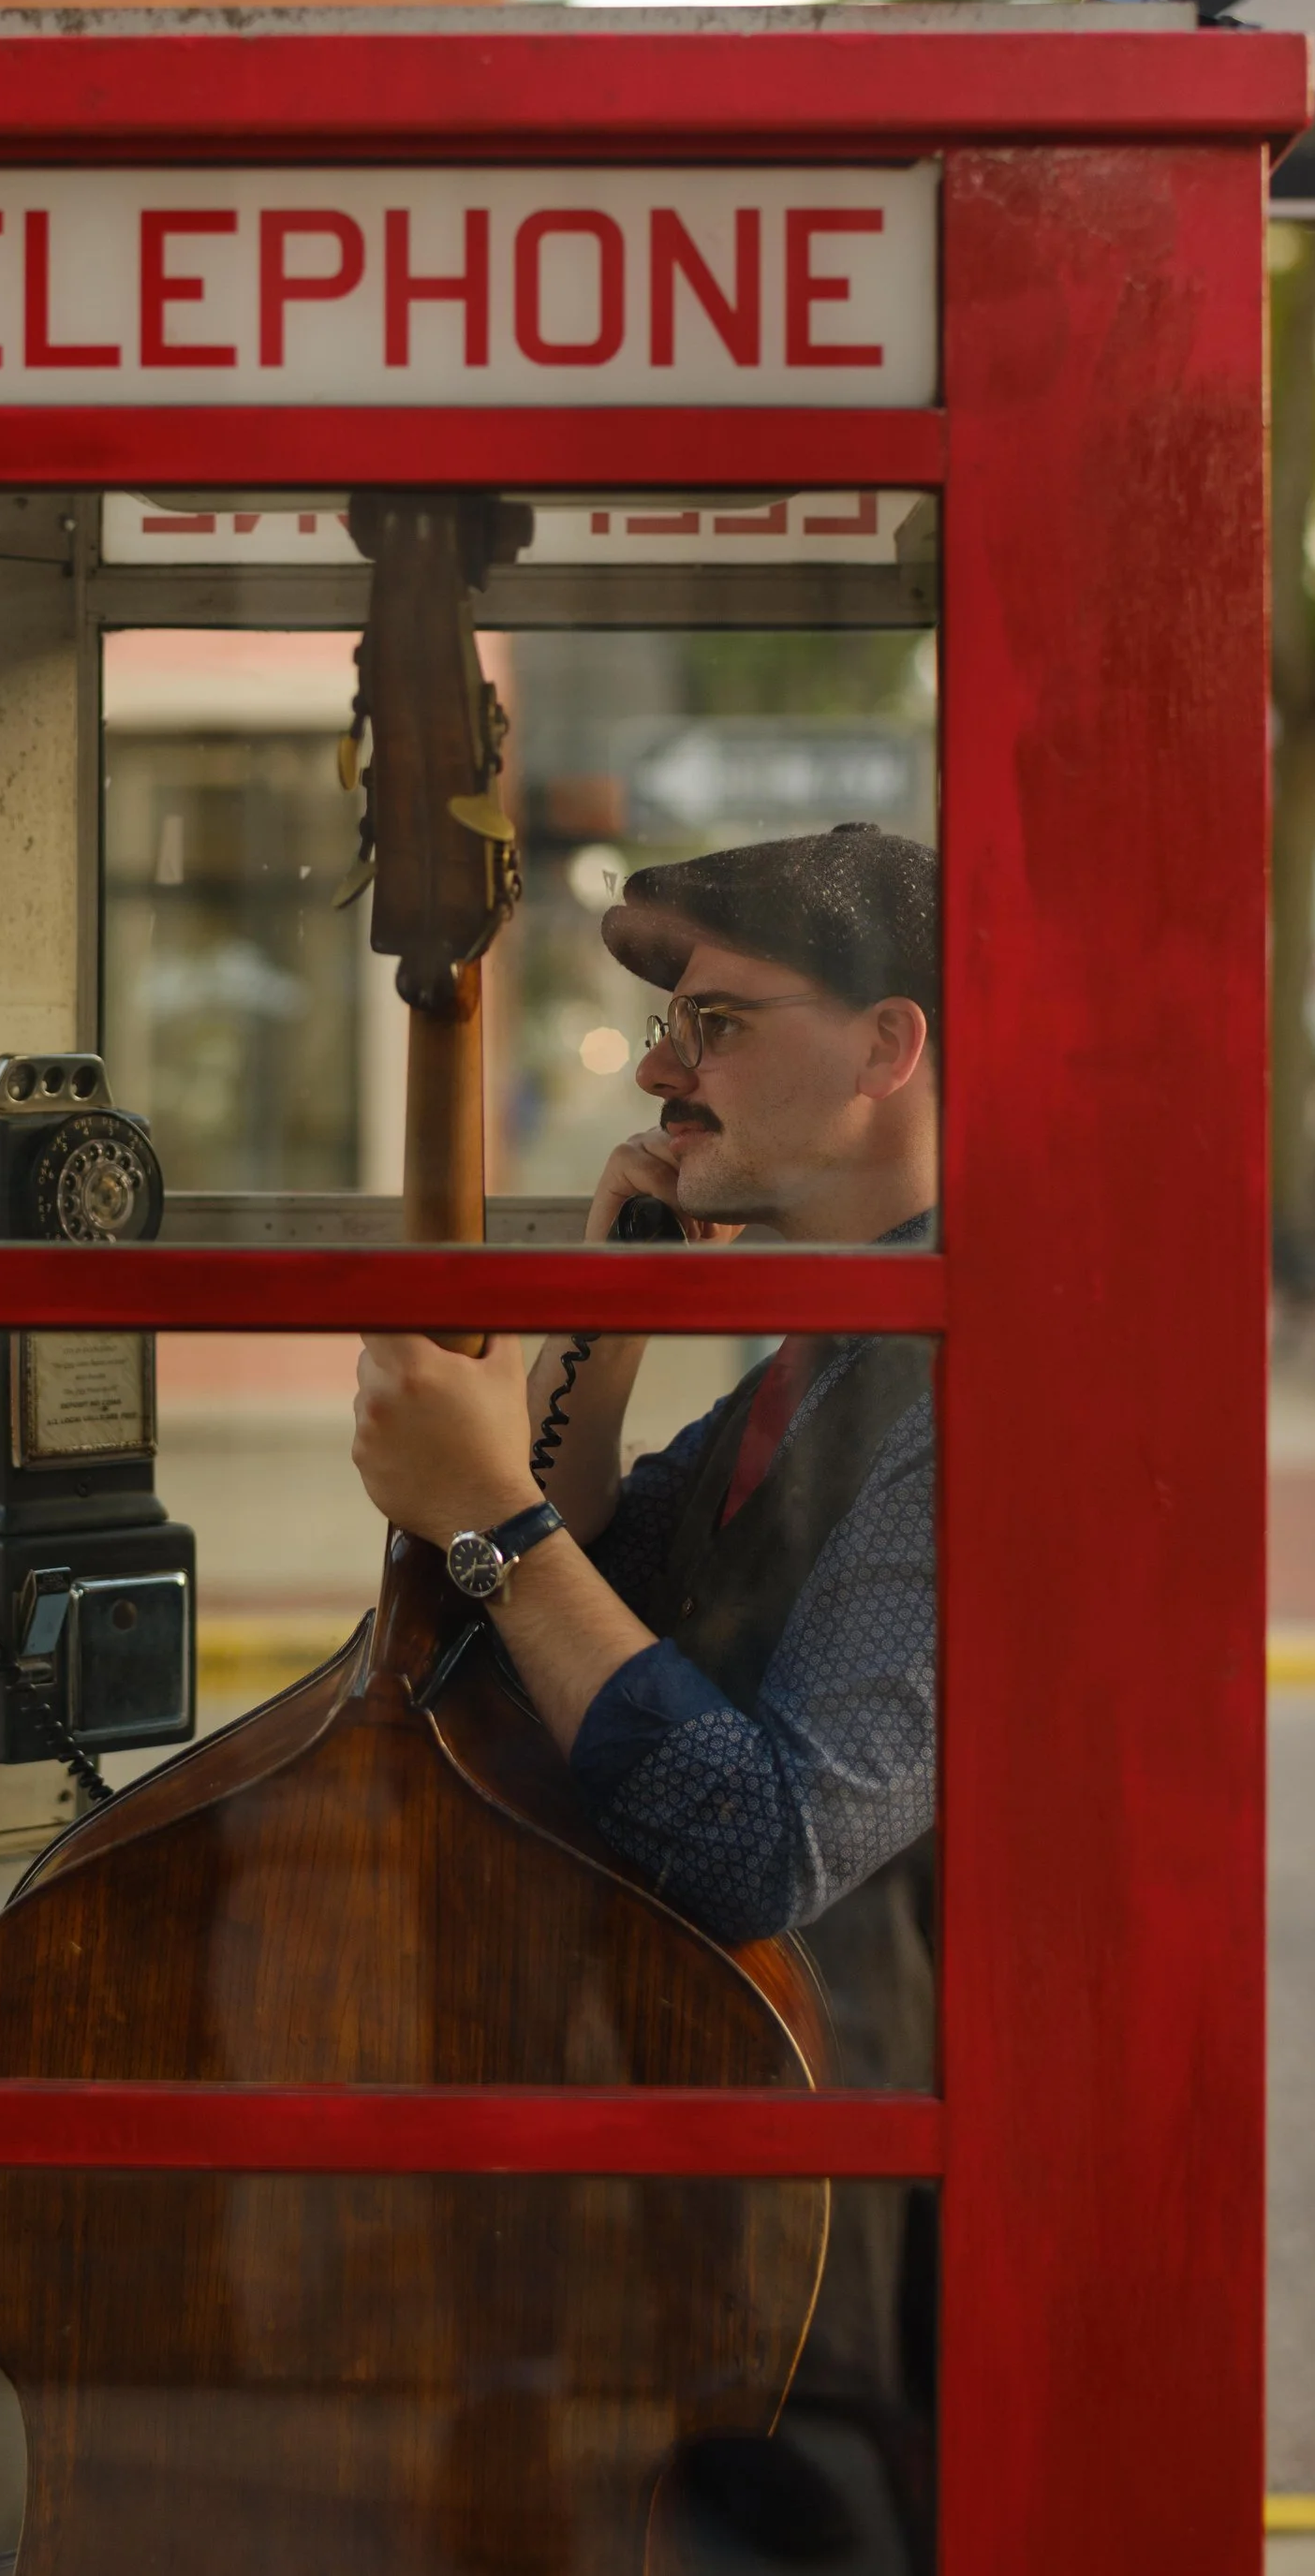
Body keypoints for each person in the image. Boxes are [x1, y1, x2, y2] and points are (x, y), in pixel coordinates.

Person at [349, 819, 938, 1950]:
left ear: (883, 1048)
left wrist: (488, 1517)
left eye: (716, 1025)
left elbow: (764, 1855)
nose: (659, 1074)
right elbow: (591, 1596)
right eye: (669, 1029)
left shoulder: (968, 1391)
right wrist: (613, 1301)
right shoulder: (833, 1350)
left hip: (842, 2044)